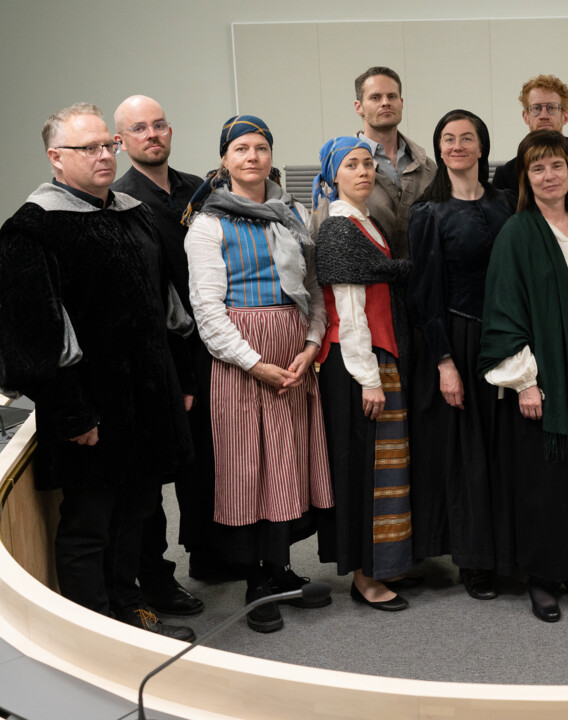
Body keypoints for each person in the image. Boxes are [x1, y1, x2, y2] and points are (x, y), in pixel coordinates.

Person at [0, 103, 195, 641]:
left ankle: (129, 609)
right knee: (90, 523)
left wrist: (179, 382)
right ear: (56, 158)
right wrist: (73, 413)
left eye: (108, 144)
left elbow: (166, 304)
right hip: (90, 409)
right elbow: (33, 335)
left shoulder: (132, 212)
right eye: (89, 148)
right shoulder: (33, 228)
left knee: (136, 514)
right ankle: (95, 632)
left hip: (146, 400)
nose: (104, 155)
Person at [183, 115, 334, 633]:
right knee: (249, 467)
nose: (252, 157)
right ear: (225, 159)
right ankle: (256, 580)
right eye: (241, 148)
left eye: (261, 148)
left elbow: (313, 292)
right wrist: (254, 363)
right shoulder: (207, 225)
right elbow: (207, 310)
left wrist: (310, 346)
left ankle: (280, 568)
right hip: (241, 361)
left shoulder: (293, 214)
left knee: (288, 464)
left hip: (292, 355)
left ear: (272, 156)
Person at [479, 130, 568, 622]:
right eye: (537, 168)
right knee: (542, 486)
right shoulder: (518, 232)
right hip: (542, 381)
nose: (549, 176)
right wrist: (525, 381)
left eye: (556, 165)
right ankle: (540, 577)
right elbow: (503, 309)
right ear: (526, 179)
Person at [408, 109, 516, 600]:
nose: (457, 146)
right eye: (448, 139)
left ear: (482, 146)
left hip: (508, 338)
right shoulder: (428, 213)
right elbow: (424, 295)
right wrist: (445, 363)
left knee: (503, 452)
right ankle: (474, 561)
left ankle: (509, 552)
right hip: (458, 339)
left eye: (467, 138)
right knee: (468, 457)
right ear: (439, 149)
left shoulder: (507, 204)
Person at [110, 95, 210, 614]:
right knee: (156, 475)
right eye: (139, 128)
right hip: (161, 350)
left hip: (216, 340)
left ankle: (211, 553)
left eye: (159, 125)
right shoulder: (121, 201)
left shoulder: (200, 190)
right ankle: (157, 578)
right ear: (121, 140)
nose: (151, 134)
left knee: (210, 458)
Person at [312, 136, 414, 612]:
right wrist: (368, 378)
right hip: (356, 361)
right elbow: (349, 310)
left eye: (368, 163)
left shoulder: (366, 222)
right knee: (362, 470)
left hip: (378, 356)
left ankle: (383, 563)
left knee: (385, 467)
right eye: (351, 164)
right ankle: (364, 576)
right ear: (333, 175)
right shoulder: (338, 228)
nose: (362, 171)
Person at [312, 66, 437, 261]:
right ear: (358, 107)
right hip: (364, 278)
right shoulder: (339, 169)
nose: (385, 103)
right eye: (375, 97)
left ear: (401, 103)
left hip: (424, 277)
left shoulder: (427, 167)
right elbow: (322, 245)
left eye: (392, 96)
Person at [492, 74, 568, 221]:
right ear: (525, 116)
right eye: (536, 108)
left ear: (565, 116)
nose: (543, 115)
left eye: (551, 108)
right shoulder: (505, 175)